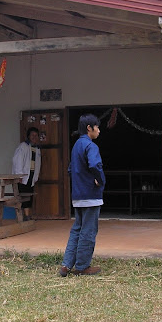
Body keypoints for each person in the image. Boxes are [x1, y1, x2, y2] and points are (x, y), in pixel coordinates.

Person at [58, 114, 106, 276]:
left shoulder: (76, 145)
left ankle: (66, 265)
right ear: (89, 128)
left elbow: (70, 170)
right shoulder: (91, 146)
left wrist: (80, 181)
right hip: (90, 196)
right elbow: (95, 165)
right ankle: (82, 266)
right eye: (97, 127)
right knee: (88, 231)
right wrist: (100, 180)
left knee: (77, 230)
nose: (99, 131)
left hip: (77, 196)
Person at [12, 127, 41, 221]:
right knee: (22, 196)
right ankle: (21, 217)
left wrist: (36, 176)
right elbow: (18, 161)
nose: (34, 137)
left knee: (28, 196)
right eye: (32, 135)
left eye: (36, 135)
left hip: (31, 176)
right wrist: (19, 175)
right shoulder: (23, 147)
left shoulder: (36, 148)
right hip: (23, 176)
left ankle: (27, 216)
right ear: (28, 136)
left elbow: (38, 164)